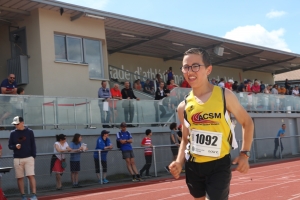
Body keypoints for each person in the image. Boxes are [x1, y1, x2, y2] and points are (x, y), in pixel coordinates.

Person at [168, 48, 254, 200]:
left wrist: (244, 154)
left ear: (208, 70)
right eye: (186, 67)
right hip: (194, 166)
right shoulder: (183, 106)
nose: (190, 71)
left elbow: (247, 122)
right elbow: (186, 140)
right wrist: (179, 161)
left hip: (219, 164)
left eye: (195, 66)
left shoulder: (224, 95)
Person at [8, 116, 38, 200]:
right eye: (15, 124)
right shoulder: (12, 133)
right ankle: (23, 196)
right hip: (17, 158)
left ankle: (34, 195)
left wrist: (33, 156)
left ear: (22, 122)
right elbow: (9, 146)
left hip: (29, 157)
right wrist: (15, 146)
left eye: (17, 124)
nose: (16, 126)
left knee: (30, 176)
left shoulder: (30, 132)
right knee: (19, 177)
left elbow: (33, 144)